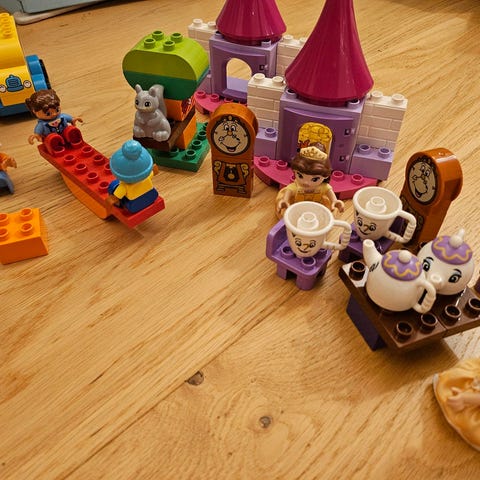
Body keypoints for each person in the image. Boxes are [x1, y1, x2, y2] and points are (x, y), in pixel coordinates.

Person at [275, 144, 344, 218]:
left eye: (314, 179)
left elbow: (332, 197)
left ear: (326, 176)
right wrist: (285, 201)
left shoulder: (324, 187)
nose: (306, 182)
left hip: (316, 209)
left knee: (329, 215)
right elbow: (289, 192)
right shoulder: (295, 187)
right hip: (297, 208)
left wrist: (335, 201)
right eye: (300, 176)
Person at [26, 89, 83, 153]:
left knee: (70, 129)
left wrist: (73, 120)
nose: (54, 114)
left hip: (65, 135)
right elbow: (37, 133)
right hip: (52, 142)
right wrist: (36, 136)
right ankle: (56, 148)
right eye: (48, 113)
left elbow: (71, 119)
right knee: (52, 138)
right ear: (34, 112)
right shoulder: (42, 124)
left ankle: (72, 141)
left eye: (57, 110)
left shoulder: (62, 117)